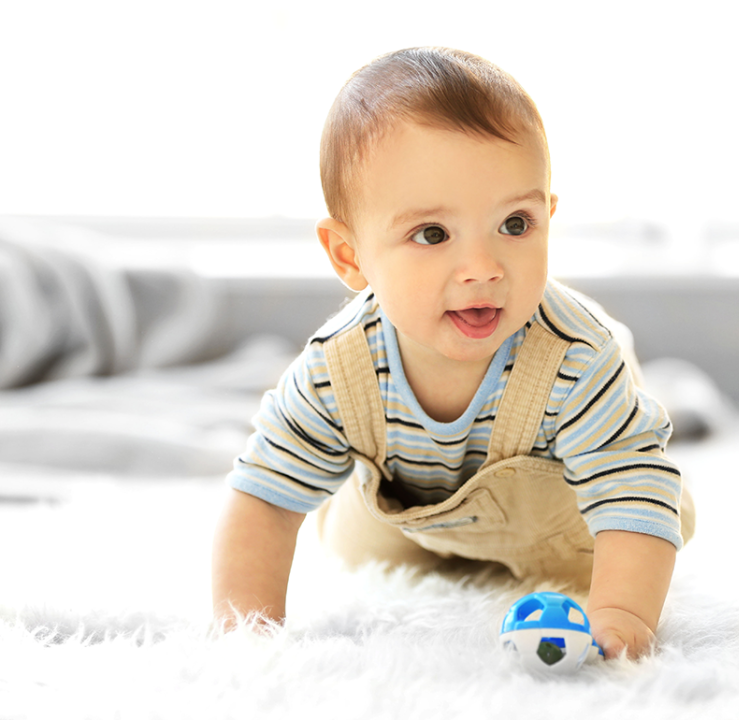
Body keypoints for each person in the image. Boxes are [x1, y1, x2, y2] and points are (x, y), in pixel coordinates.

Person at [211, 47, 695, 660]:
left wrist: (622, 617)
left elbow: (630, 491)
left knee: (651, 510)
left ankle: (645, 411)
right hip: (407, 519)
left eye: (515, 225)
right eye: (432, 234)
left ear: (548, 216)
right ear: (349, 256)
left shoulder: (575, 357)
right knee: (350, 537)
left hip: (564, 525)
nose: (483, 269)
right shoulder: (338, 371)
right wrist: (244, 636)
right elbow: (264, 498)